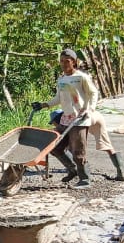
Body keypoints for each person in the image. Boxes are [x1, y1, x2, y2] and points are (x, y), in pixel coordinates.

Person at [31, 47, 110, 188]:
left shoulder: (81, 77)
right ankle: (72, 169)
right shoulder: (61, 79)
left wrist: (89, 109)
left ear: (74, 62)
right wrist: (43, 105)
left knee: (78, 151)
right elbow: (58, 98)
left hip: (80, 119)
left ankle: (85, 179)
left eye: (67, 61)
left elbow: (93, 93)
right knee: (54, 147)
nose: (64, 64)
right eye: (61, 61)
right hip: (66, 118)